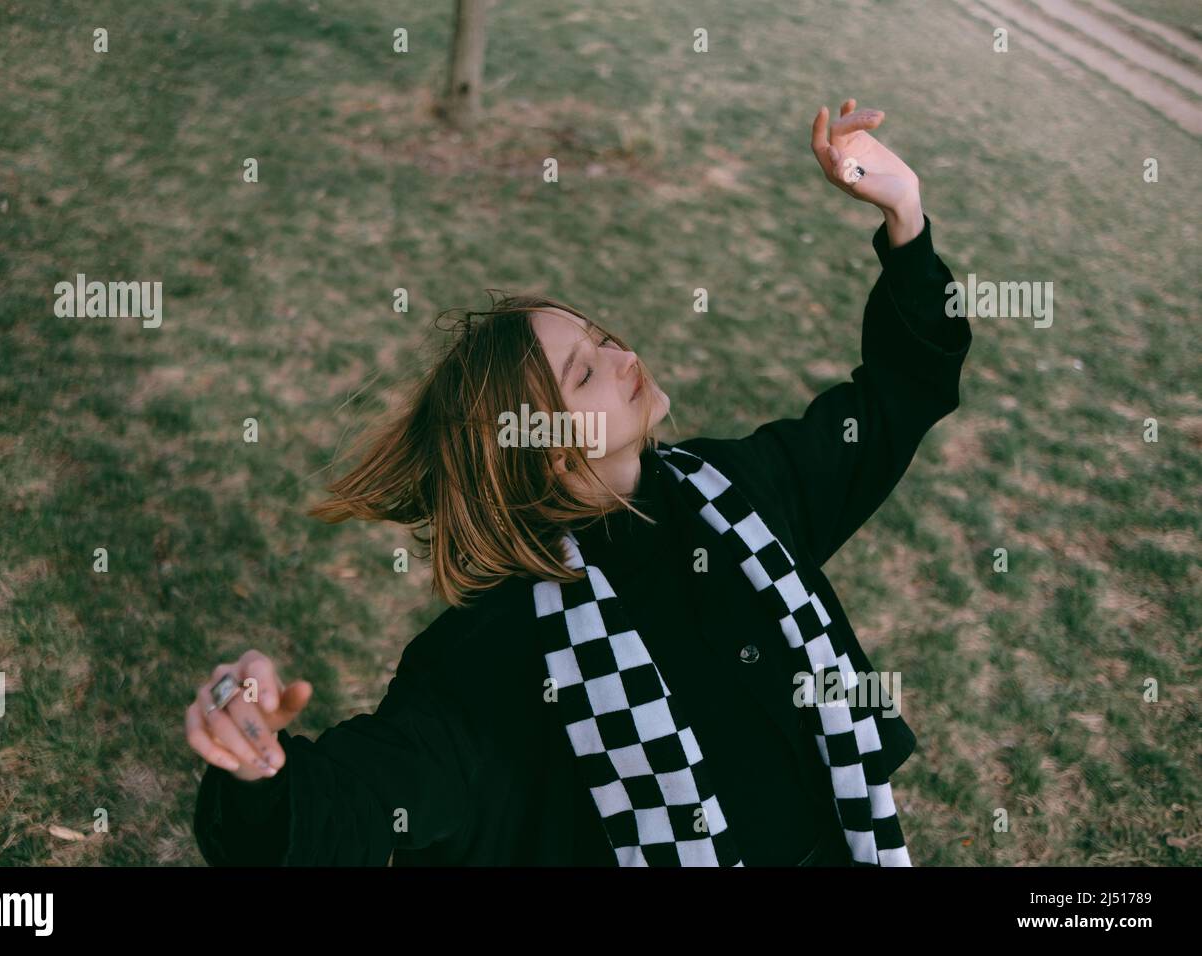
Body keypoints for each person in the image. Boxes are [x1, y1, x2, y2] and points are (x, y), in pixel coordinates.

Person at [187, 98, 972, 866]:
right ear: (549, 452)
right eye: (587, 371)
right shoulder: (494, 654)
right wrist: (253, 764)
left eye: (601, 339)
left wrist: (904, 217)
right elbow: (350, 806)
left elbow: (899, 395)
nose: (628, 358)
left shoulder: (740, 490)